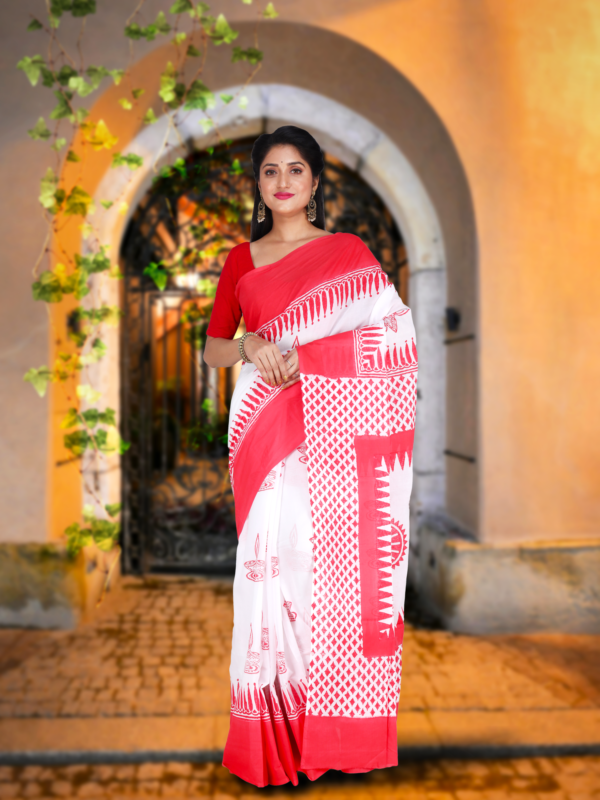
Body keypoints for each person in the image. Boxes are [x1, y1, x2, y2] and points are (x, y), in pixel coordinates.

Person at [204, 126, 418, 787]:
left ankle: (328, 730)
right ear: (260, 185)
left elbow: (393, 337)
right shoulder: (242, 260)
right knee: (266, 579)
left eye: (296, 169)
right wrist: (251, 349)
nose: (283, 181)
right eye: (271, 171)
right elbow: (214, 347)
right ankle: (274, 734)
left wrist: (311, 357)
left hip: (337, 435)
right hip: (268, 438)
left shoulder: (348, 253)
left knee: (323, 574)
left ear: (316, 182)